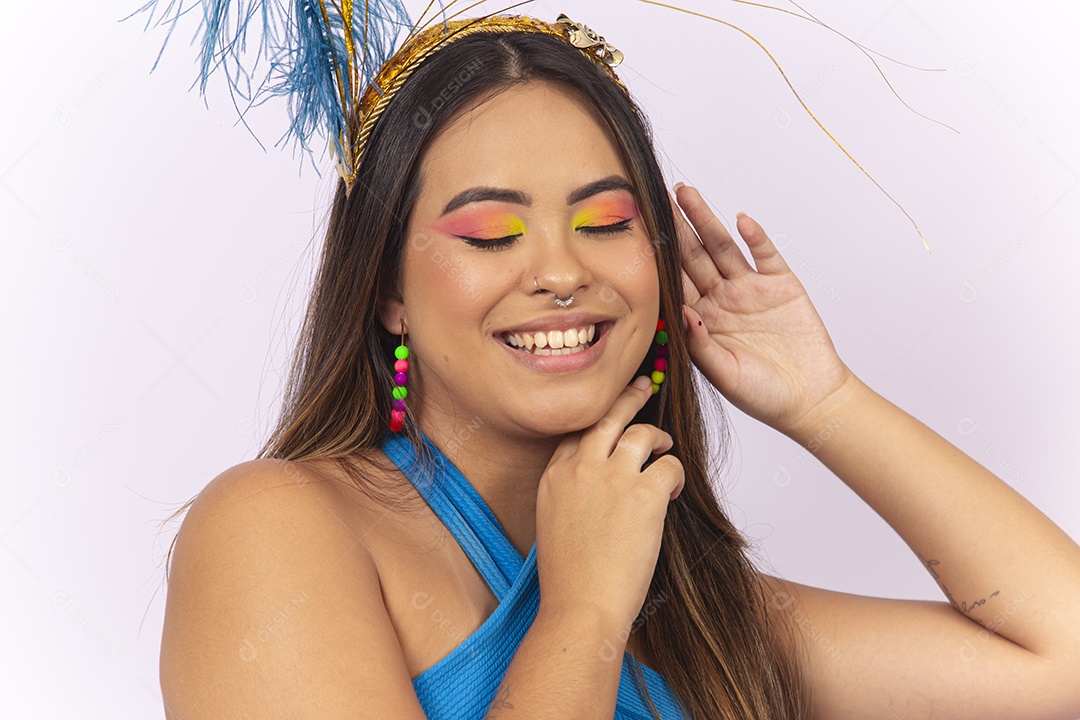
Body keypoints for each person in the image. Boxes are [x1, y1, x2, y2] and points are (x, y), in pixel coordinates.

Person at [151, 8, 1080, 720]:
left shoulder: (692, 608)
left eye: (606, 223)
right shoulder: (271, 527)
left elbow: (1062, 661)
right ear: (387, 291)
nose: (562, 271)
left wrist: (824, 402)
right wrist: (582, 617)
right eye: (489, 233)